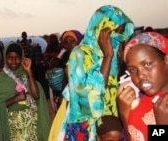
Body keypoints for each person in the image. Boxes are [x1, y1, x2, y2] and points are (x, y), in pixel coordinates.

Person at [48, 5, 134, 141]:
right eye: (114, 32)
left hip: (112, 117)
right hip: (86, 121)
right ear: (101, 29)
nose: (117, 37)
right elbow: (91, 95)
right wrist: (107, 56)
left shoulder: (115, 52)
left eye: (120, 33)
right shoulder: (80, 53)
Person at [0, 42, 50, 141]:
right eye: (10, 57)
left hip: (32, 129)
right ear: (5, 58)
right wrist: (15, 98)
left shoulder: (25, 75)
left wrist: (29, 72)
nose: (13, 61)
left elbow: (36, 95)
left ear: (22, 58)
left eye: (17, 57)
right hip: (14, 130)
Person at [116, 32, 168, 141]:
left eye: (147, 64)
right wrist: (124, 115)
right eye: (133, 70)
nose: (140, 75)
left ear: (166, 60)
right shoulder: (139, 102)